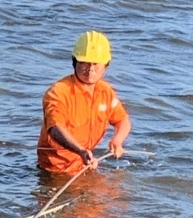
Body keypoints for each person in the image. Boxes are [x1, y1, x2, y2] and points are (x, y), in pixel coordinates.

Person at [37, 30, 131, 174]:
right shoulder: (59, 92)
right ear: (74, 62)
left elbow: (122, 120)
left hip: (86, 165)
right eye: (84, 63)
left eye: (96, 64)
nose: (90, 69)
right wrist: (80, 150)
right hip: (55, 170)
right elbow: (55, 128)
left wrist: (117, 140)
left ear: (106, 65)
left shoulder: (105, 91)